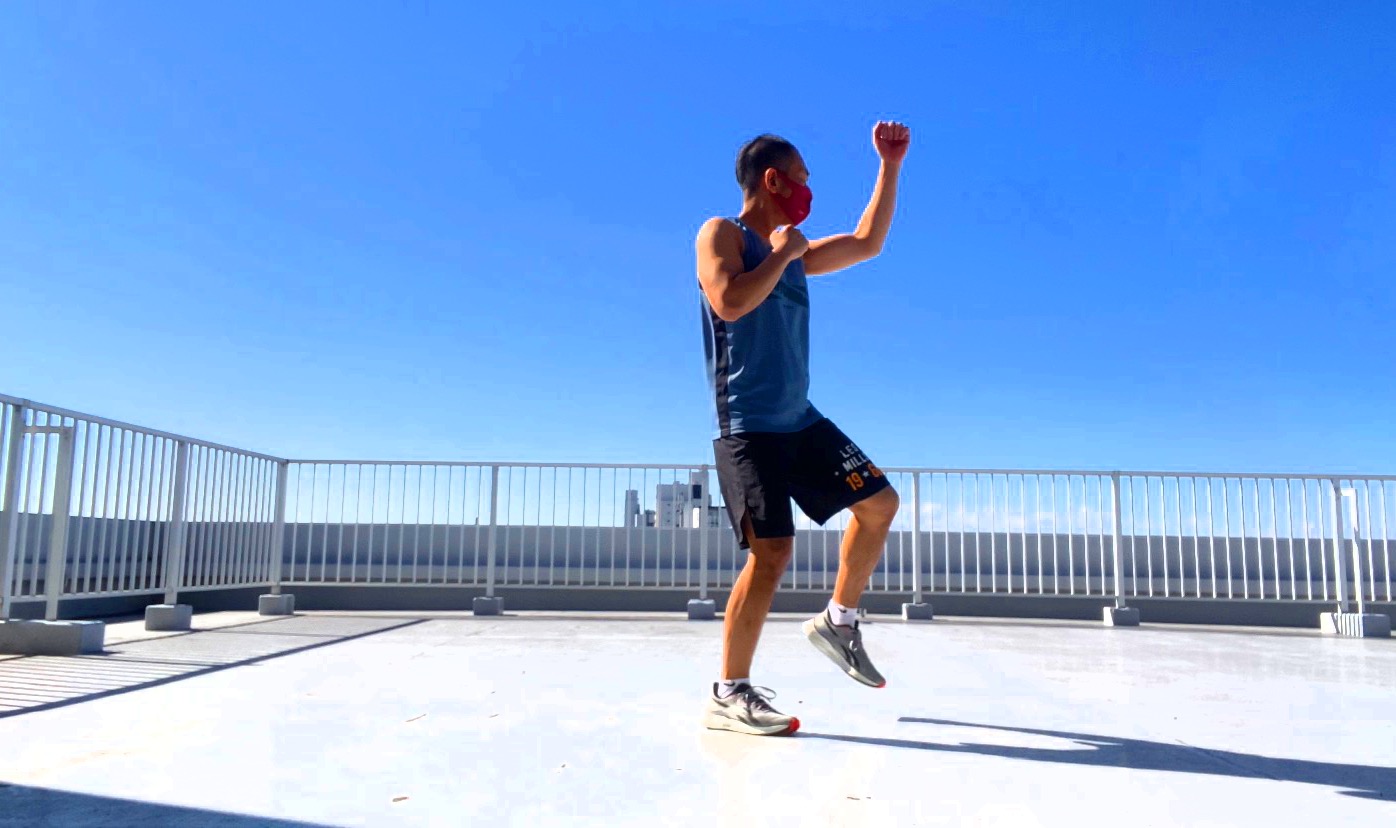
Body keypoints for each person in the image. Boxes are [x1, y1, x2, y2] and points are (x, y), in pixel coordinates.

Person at [695, 121, 911, 736]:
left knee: (879, 504)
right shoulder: (722, 233)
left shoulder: (795, 254)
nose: (809, 191)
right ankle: (729, 693)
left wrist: (890, 164)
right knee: (772, 554)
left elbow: (867, 242)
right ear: (773, 180)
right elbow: (729, 302)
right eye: (803, 179)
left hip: (800, 418)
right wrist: (783, 254)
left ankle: (838, 622)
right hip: (749, 424)